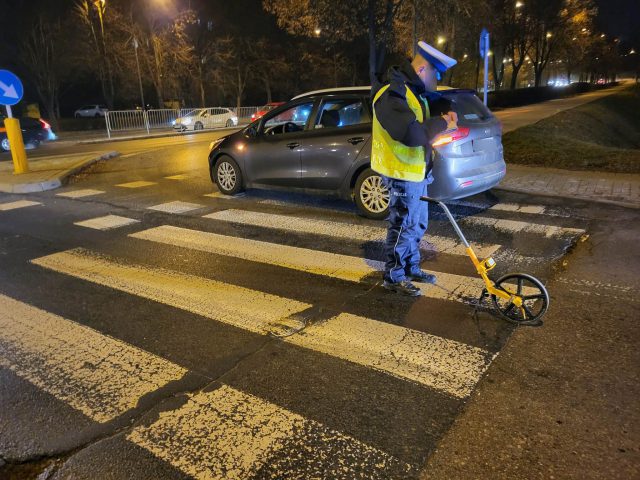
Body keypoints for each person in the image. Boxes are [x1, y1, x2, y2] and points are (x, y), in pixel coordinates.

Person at [371, 41, 459, 296]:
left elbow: (429, 106)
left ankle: (411, 267)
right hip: (400, 174)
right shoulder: (391, 94)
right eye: (437, 74)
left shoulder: (411, 91)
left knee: (417, 224)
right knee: (402, 225)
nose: (438, 80)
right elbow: (410, 133)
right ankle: (394, 275)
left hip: (416, 172)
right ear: (422, 69)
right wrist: (442, 123)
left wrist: (445, 110)